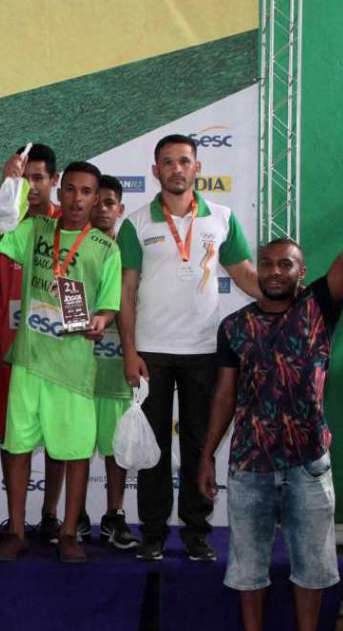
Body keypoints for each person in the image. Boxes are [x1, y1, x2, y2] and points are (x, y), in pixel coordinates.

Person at [198, 152, 343, 631]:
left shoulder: (319, 308)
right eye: (267, 263)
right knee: (247, 571)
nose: (274, 271)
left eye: (286, 264)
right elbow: (224, 397)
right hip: (249, 466)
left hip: (307, 465)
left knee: (312, 569)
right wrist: (205, 456)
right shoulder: (234, 326)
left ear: (302, 273)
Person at [116, 134, 260, 562]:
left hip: (204, 351)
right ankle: (154, 534)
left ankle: (197, 532)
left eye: (184, 161)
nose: (176, 169)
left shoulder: (224, 218)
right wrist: (128, 350)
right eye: (167, 162)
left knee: (200, 444)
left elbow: (244, 274)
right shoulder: (136, 223)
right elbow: (127, 292)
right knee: (153, 448)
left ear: (197, 168)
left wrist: (283, 300)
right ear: (155, 170)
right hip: (150, 353)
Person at [0, 160, 121, 564]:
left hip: (73, 369)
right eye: (72, 190)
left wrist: (99, 320)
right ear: (60, 191)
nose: (77, 199)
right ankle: (15, 529)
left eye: (87, 193)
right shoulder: (35, 229)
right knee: (19, 447)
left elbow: (109, 306)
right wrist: (8, 182)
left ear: (97, 199)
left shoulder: (105, 248)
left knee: (75, 452)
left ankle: (67, 533)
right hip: (28, 361)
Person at [0, 143, 69, 544]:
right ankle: (13, 519)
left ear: (54, 180)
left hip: (54, 351)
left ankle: (51, 513)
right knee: (11, 435)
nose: (32, 187)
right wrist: (7, 183)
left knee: (57, 435)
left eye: (39, 178)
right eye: (25, 178)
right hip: (9, 347)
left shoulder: (66, 224)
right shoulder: (9, 220)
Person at [85, 175, 137, 549]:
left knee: (115, 450)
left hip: (116, 367)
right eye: (97, 201)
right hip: (75, 371)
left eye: (110, 203)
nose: (102, 209)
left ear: (120, 209)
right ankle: (66, 517)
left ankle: (114, 515)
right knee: (71, 448)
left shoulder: (130, 256)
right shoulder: (71, 251)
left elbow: (136, 307)